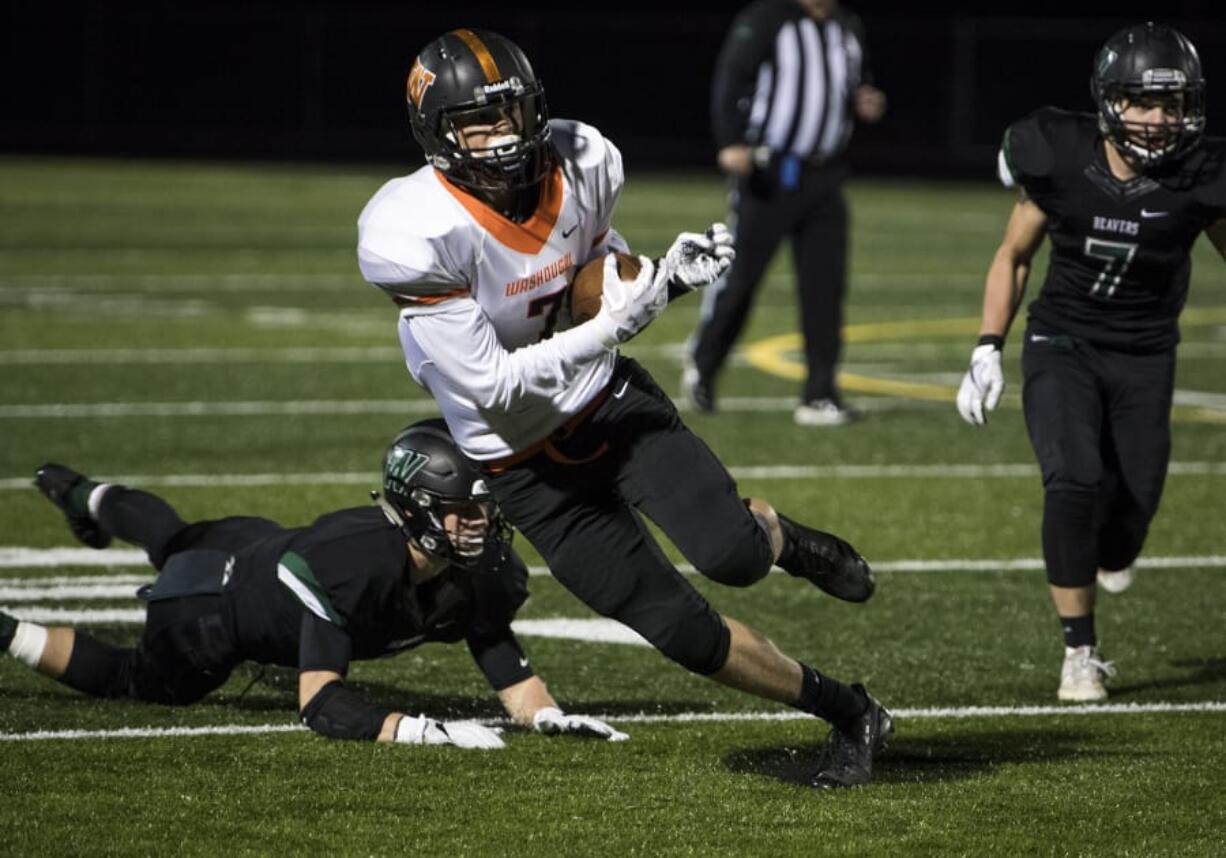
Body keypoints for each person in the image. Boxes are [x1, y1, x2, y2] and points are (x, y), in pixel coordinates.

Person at [357, 28, 891, 787]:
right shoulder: (412, 230)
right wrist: (619, 321)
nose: (503, 136)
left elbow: (593, 266)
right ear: (437, 135)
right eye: (479, 122)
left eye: (512, 113)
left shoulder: (583, 159)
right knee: (681, 633)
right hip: (520, 463)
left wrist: (654, 278)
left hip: (609, 407)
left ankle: (785, 540)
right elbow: (493, 386)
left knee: (734, 556)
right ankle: (851, 712)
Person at [1, 420, 627, 747]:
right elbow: (320, 704)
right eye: (464, 511)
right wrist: (417, 729)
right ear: (416, 508)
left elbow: (488, 635)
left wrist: (545, 715)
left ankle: (80, 492)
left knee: (171, 536)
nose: (480, 526)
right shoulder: (357, 567)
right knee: (136, 678)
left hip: (257, 541)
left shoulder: (471, 565)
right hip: (205, 610)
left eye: (485, 511)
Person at [955, 22, 1226, 701]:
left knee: (1129, 521)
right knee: (1073, 480)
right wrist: (987, 346)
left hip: (1146, 354)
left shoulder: (1202, 176)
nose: (1160, 119)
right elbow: (1014, 256)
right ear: (1110, 101)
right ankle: (1080, 652)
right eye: (1143, 102)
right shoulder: (1059, 152)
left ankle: (1109, 554)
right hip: (1063, 343)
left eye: (1173, 104)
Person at [683, 0, 886, 425]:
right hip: (769, 171)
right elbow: (731, 79)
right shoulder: (766, 19)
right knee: (741, 279)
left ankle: (819, 394)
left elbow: (855, 82)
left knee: (825, 288)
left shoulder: (848, 24)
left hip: (825, 175)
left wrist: (864, 99)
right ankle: (704, 363)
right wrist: (729, 142)